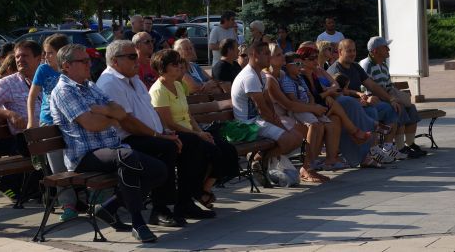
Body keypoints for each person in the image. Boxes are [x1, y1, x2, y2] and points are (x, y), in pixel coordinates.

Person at [50, 43, 166, 243]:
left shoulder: (90, 86)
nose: (89, 64)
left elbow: (119, 111)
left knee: (159, 170)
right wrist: (111, 118)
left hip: (110, 150)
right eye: (83, 61)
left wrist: (102, 111)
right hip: (85, 157)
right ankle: (138, 223)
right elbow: (92, 124)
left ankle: (109, 208)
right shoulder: (64, 90)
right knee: (127, 158)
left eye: (89, 60)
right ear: (67, 66)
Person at [96, 40, 216, 227]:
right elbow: (127, 122)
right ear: (114, 61)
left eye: (136, 56)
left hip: (149, 134)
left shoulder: (133, 79)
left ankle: (184, 202)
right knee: (168, 147)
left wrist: (165, 131)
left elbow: (150, 111)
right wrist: (159, 136)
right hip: (127, 140)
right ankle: (160, 209)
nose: (137, 60)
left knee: (194, 143)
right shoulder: (110, 82)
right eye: (131, 56)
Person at [149, 49, 239, 209]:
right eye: (174, 64)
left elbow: (188, 115)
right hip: (175, 135)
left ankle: (203, 189)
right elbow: (169, 124)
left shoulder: (178, 85)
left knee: (228, 150)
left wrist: (200, 132)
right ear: (162, 68)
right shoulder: (158, 91)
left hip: (191, 132)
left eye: (180, 62)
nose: (179, 66)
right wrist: (197, 134)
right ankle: (192, 196)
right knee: (210, 151)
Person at [296, 45, 382, 168]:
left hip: (327, 106)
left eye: (316, 57)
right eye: (312, 58)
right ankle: (360, 135)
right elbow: (313, 97)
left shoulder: (315, 74)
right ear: (302, 61)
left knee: (340, 118)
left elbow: (335, 86)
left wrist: (327, 88)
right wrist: (328, 93)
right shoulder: (302, 76)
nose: (315, 60)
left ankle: (337, 158)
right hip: (315, 109)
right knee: (348, 104)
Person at [0, 40, 43, 200]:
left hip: (45, 133)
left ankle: (48, 188)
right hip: (25, 137)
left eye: (25, 56)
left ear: (38, 58)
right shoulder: (7, 83)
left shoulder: (46, 79)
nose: (20, 60)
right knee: (46, 148)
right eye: (17, 56)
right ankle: (10, 185)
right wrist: (10, 114)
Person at [25, 34, 78, 222]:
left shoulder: (70, 69)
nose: (46, 57)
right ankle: (68, 204)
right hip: (49, 122)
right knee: (57, 166)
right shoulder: (43, 69)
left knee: (77, 159)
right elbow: (32, 96)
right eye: (45, 53)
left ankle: (89, 195)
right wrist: (32, 121)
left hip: (71, 121)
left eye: (50, 53)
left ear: (62, 53)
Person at [231, 41, 304, 176]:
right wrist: (280, 126)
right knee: (290, 139)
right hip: (247, 126)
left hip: (258, 121)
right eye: (266, 54)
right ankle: (259, 160)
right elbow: (262, 109)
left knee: (298, 137)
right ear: (254, 55)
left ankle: (260, 159)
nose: (269, 57)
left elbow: (268, 101)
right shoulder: (249, 77)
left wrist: (276, 119)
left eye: (269, 53)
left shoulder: (261, 75)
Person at [327, 39, 405, 162]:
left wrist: (391, 99)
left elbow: (372, 85)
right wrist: (362, 100)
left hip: (363, 103)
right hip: (348, 110)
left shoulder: (355, 66)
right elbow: (339, 94)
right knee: (371, 111)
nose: (353, 53)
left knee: (390, 108)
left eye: (354, 50)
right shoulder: (335, 70)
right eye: (349, 51)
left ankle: (387, 148)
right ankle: (373, 150)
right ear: (340, 52)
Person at [264, 45, 329, 183]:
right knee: (313, 127)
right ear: (269, 59)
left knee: (319, 126)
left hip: (288, 114)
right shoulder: (269, 80)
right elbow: (289, 104)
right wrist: (313, 109)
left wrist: (312, 107)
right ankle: (306, 168)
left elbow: (300, 98)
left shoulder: (282, 74)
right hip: (276, 118)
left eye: (282, 53)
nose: (282, 56)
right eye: (278, 55)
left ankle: (309, 167)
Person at [359, 36, 426, 159]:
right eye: (385, 47)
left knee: (411, 108)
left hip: (387, 98)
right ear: (375, 51)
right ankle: (400, 148)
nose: (388, 49)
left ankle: (410, 143)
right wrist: (390, 99)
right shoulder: (366, 65)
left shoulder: (384, 65)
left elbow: (388, 86)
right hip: (375, 101)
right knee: (399, 108)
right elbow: (365, 90)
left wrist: (393, 96)